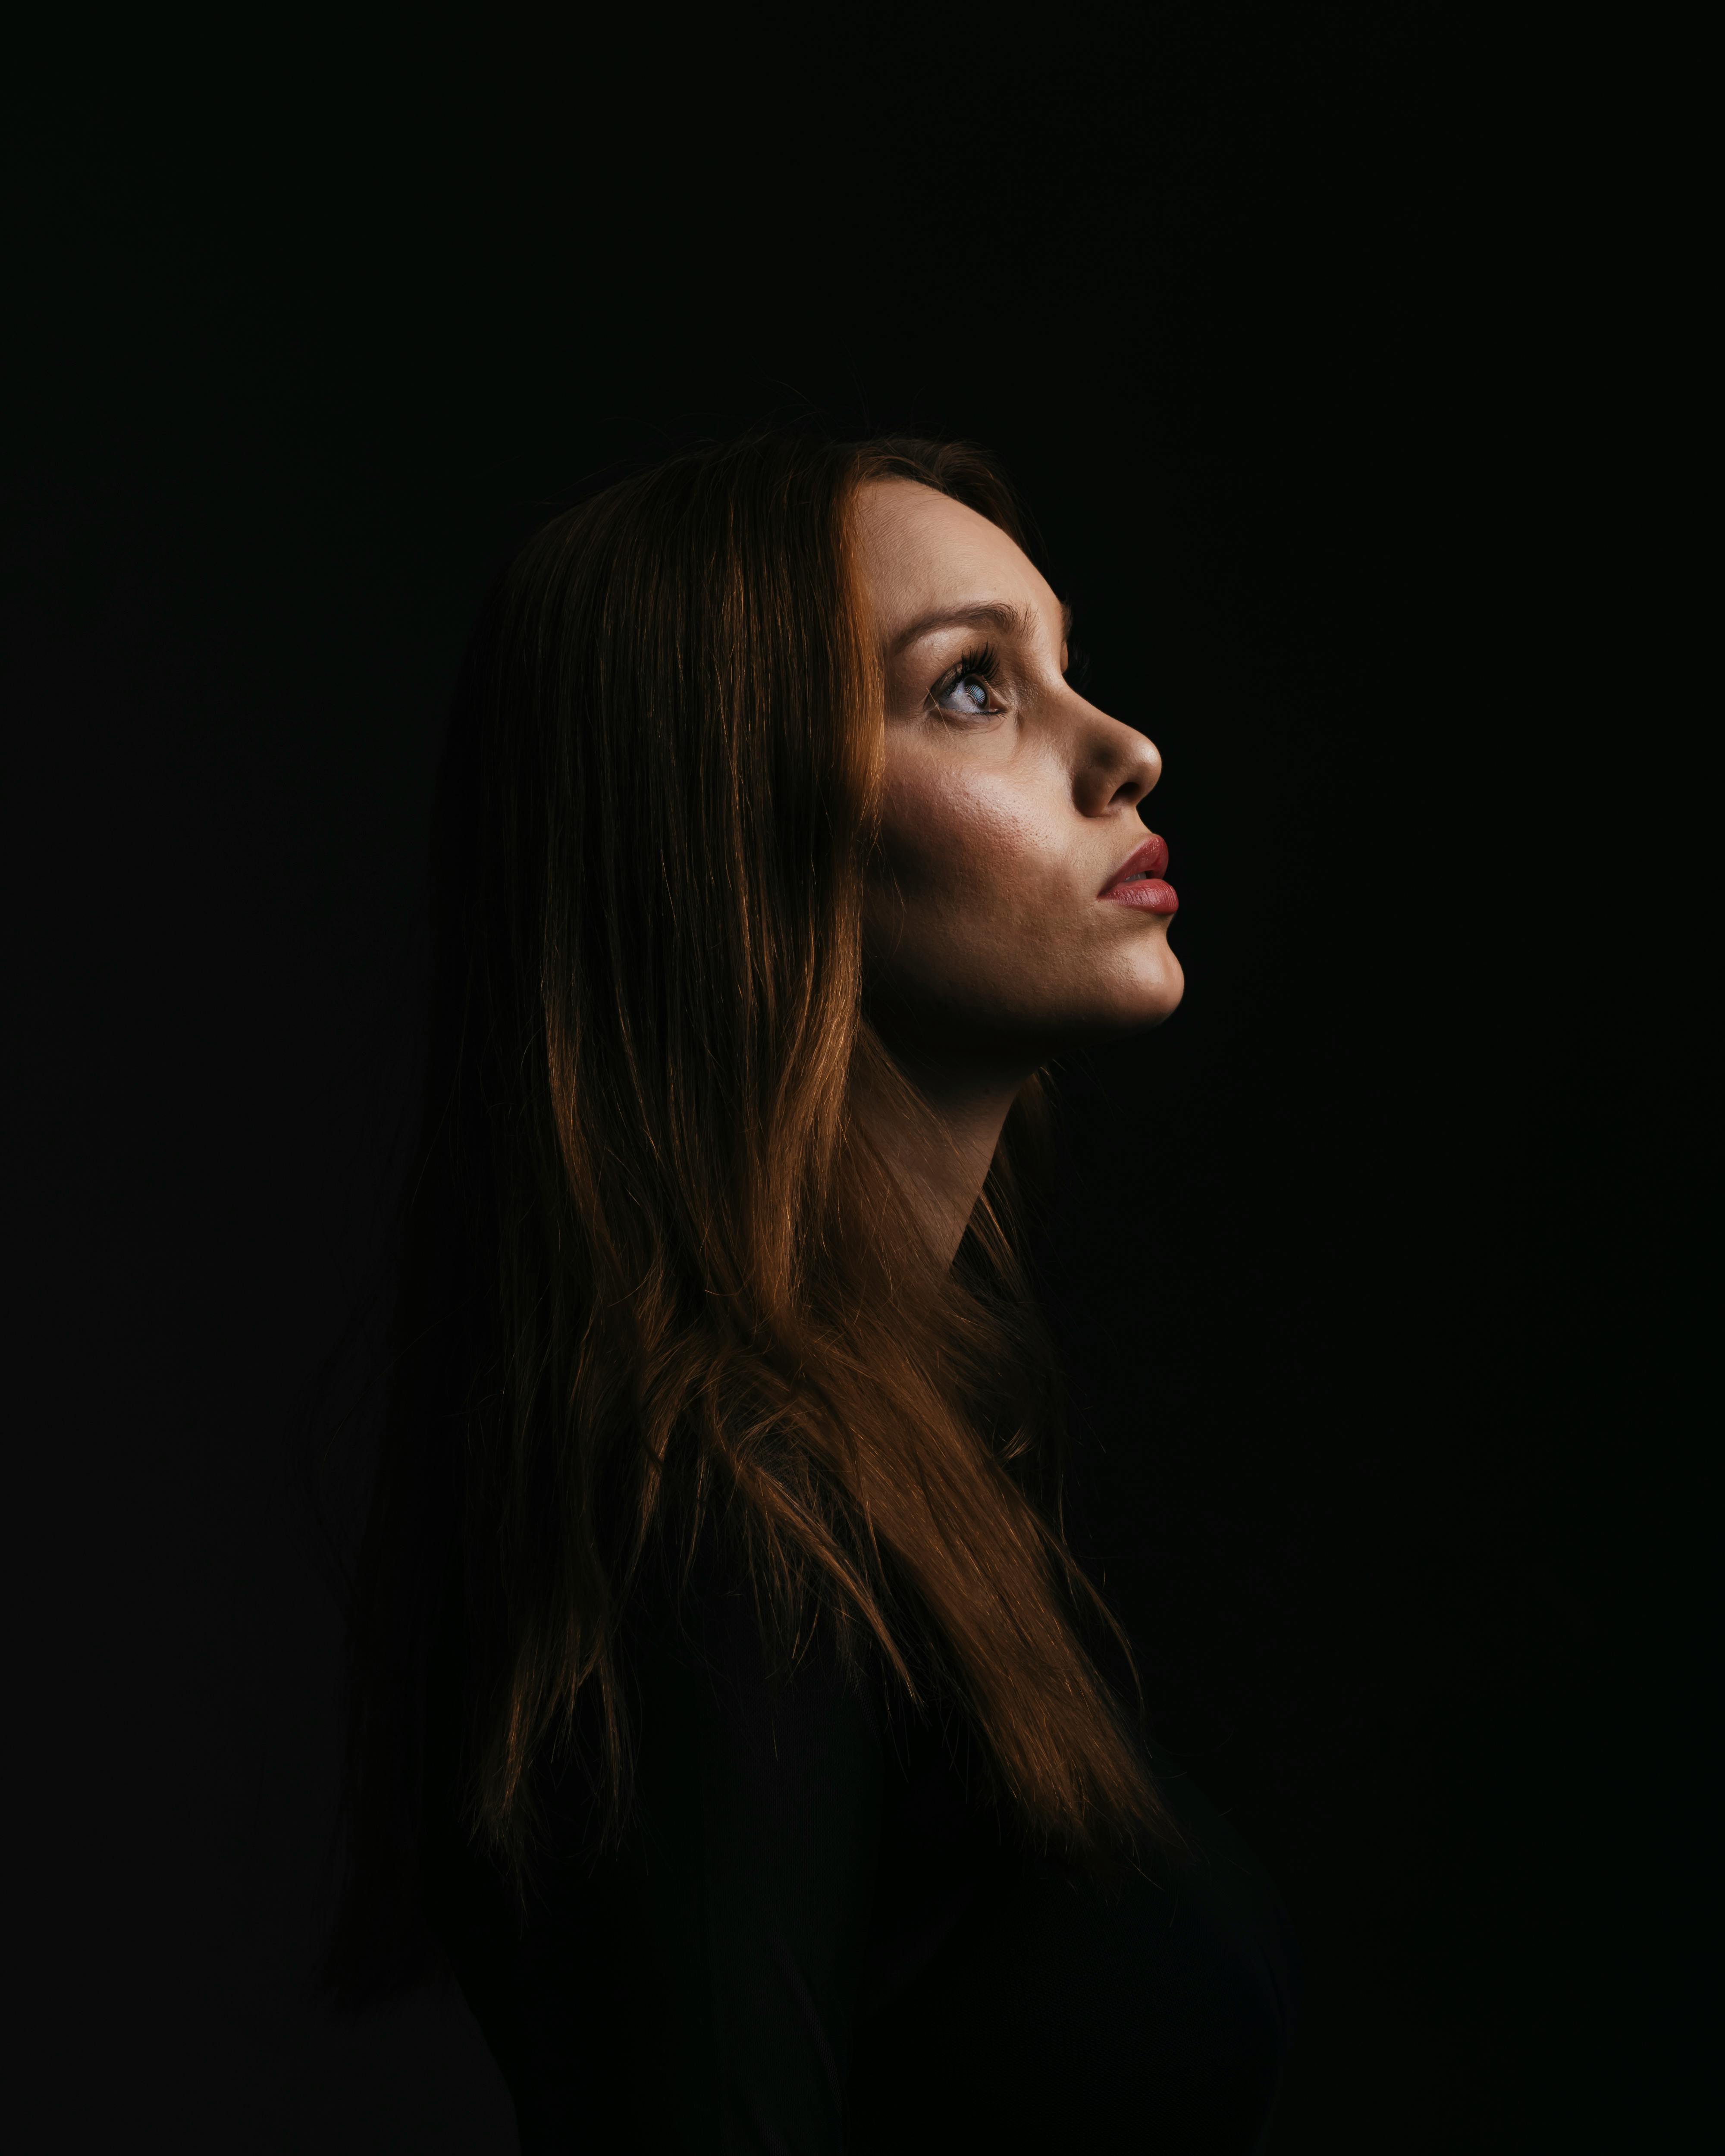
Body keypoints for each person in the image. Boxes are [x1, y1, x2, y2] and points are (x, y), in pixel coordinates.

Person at [329, 432, 1298, 2151]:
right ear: (733, 825)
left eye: (1063, 663)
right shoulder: (732, 1509)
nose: (1126, 749)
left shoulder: (871, 1474)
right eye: (976, 688)